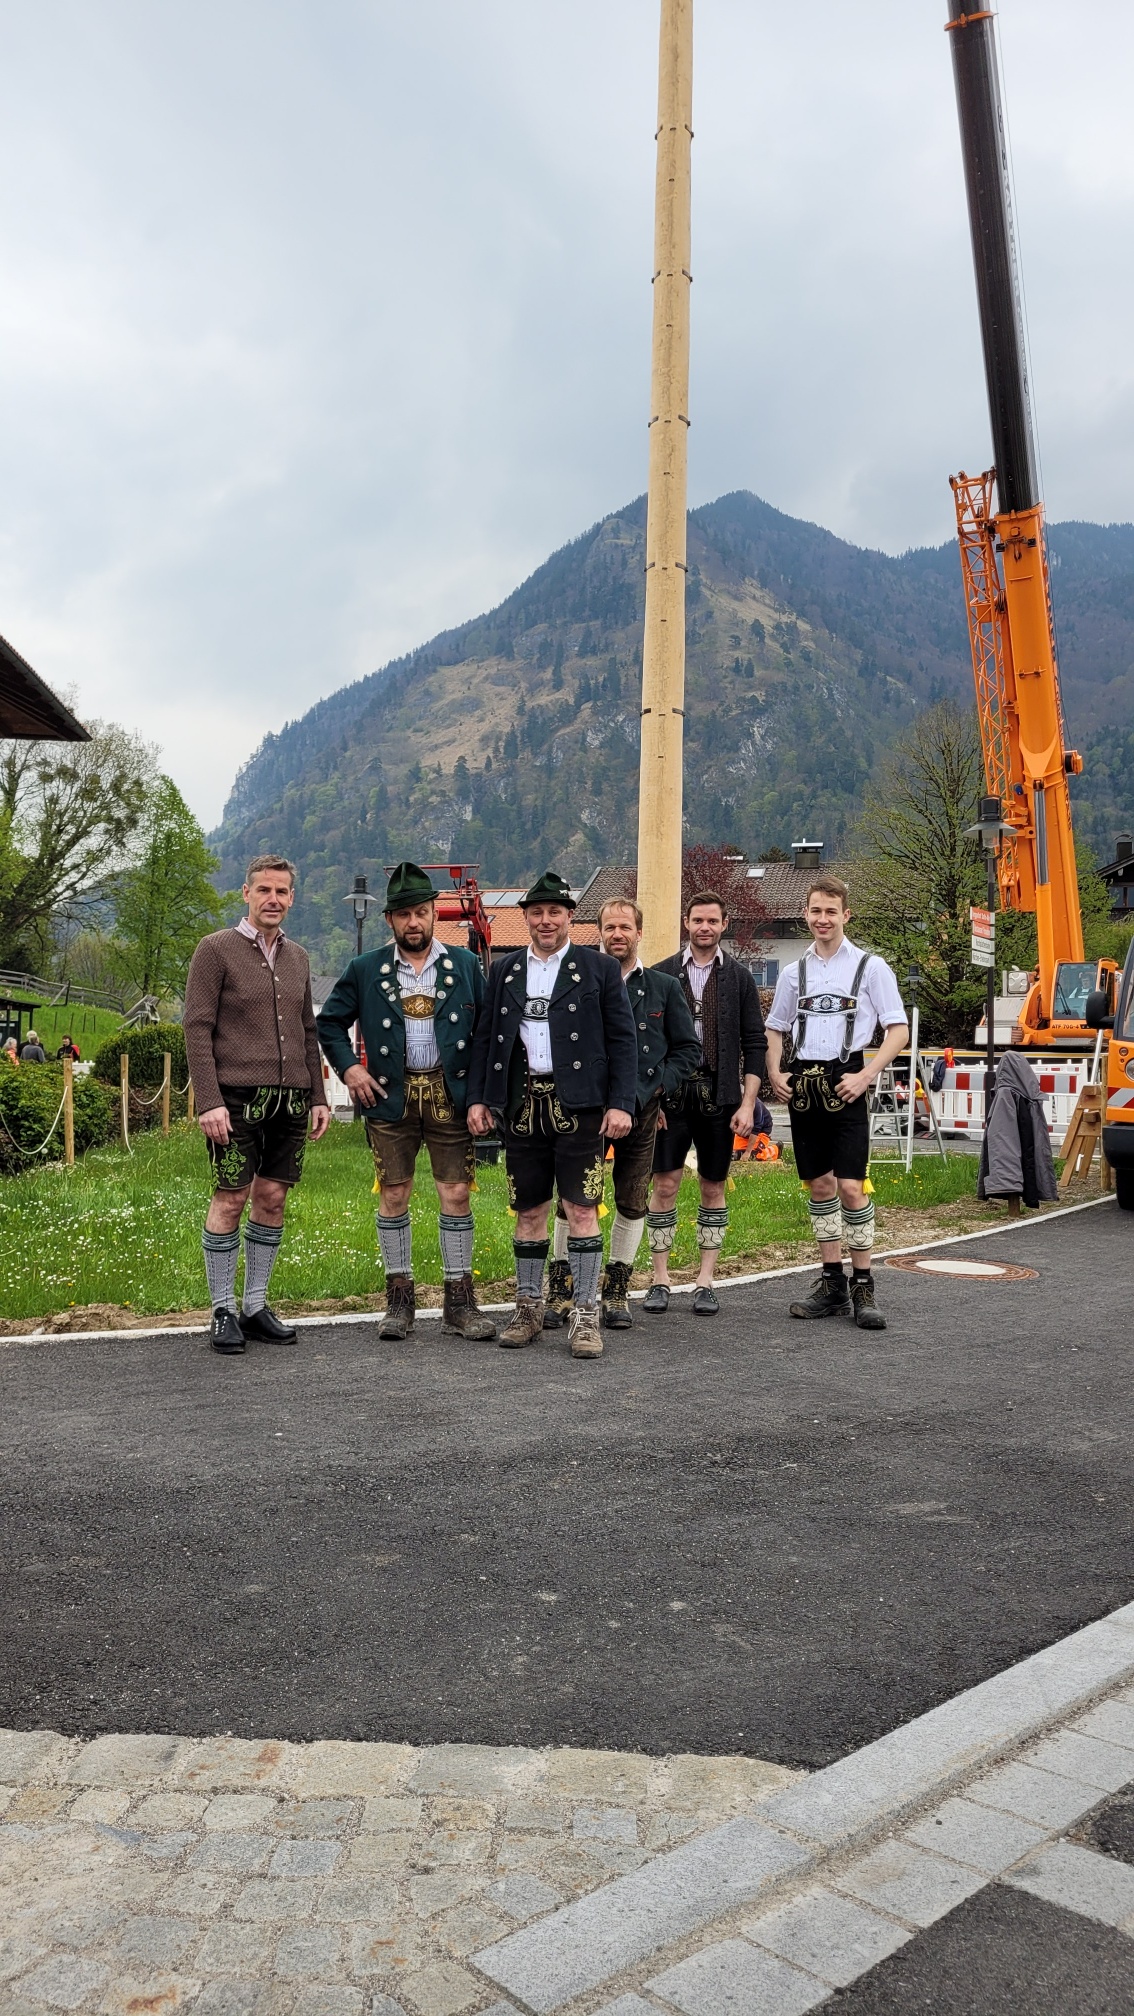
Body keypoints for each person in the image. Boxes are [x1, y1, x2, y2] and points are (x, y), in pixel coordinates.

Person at [316, 861, 495, 1343]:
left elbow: (487, 1034)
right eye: (403, 915)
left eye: (420, 912)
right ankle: (399, 1301)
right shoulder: (365, 969)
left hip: (451, 1094)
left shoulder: (465, 965)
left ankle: (459, 1302)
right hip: (390, 1095)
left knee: (456, 1194)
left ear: (433, 913)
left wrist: (480, 1096)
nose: (413, 922)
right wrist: (350, 1069)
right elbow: (329, 1023)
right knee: (394, 1194)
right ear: (390, 920)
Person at [467, 869, 637, 1357]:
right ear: (526, 918)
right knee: (529, 1210)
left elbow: (623, 1040)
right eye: (537, 912)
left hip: (580, 1106)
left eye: (555, 912)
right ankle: (528, 1308)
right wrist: (479, 1098)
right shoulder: (505, 969)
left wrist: (621, 1103)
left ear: (570, 917)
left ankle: (585, 1314)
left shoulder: (599, 968)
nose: (546, 920)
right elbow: (485, 1038)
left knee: (581, 1208)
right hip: (522, 1106)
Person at [183, 853, 330, 1355]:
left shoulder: (299, 957)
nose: (273, 899)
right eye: (264, 890)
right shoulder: (214, 949)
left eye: (281, 891)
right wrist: (208, 1100)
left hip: (291, 1099)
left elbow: (308, 1031)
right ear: (246, 893)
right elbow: (196, 1028)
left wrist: (318, 1096)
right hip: (235, 1099)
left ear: (292, 897)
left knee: (273, 1198)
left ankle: (255, 1305)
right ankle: (222, 1309)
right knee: (231, 1196)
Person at [546, 897, 699, 1330]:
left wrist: (657, 1087)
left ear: (639, 933)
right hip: (585, 1108)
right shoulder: (576, 982)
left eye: (625, 927)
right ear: (599, 932)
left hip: (642, 1108)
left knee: (632, 1198)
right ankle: (562, 1288)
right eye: (610, 927)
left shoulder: (664, 987)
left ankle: (616, 1289)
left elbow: (688, 1050)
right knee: (573, 1197)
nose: (617, 934)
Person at [765, 874, 909, 1330]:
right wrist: (775, 1072)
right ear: (805, 914)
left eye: (831, 911)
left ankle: (863, 1284)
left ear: (845, 914)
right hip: (805, 1082)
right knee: (820, 1185)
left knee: (851, 1185)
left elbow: (898, 1030)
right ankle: (832, 1283)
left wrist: (867, 1075)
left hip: (847, 1078)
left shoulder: (871, 966)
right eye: (816, 911)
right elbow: (775, 1027)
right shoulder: (794, 972)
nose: (822, 919)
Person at [646, 892, 768, 1315]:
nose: (704, 927)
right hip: (671, 1097)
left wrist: (748, 1104)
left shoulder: (739, 978)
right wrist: (652, 1100)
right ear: (687, 922)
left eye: (712, 921)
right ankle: (659, 1279)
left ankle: (705, 1280)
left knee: (713, 1186)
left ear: (724, 924)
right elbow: (647, 1044)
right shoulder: (660, 974)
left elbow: (755, 1043)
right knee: (664, 1185)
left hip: (721, 1097)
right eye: (698, 920)